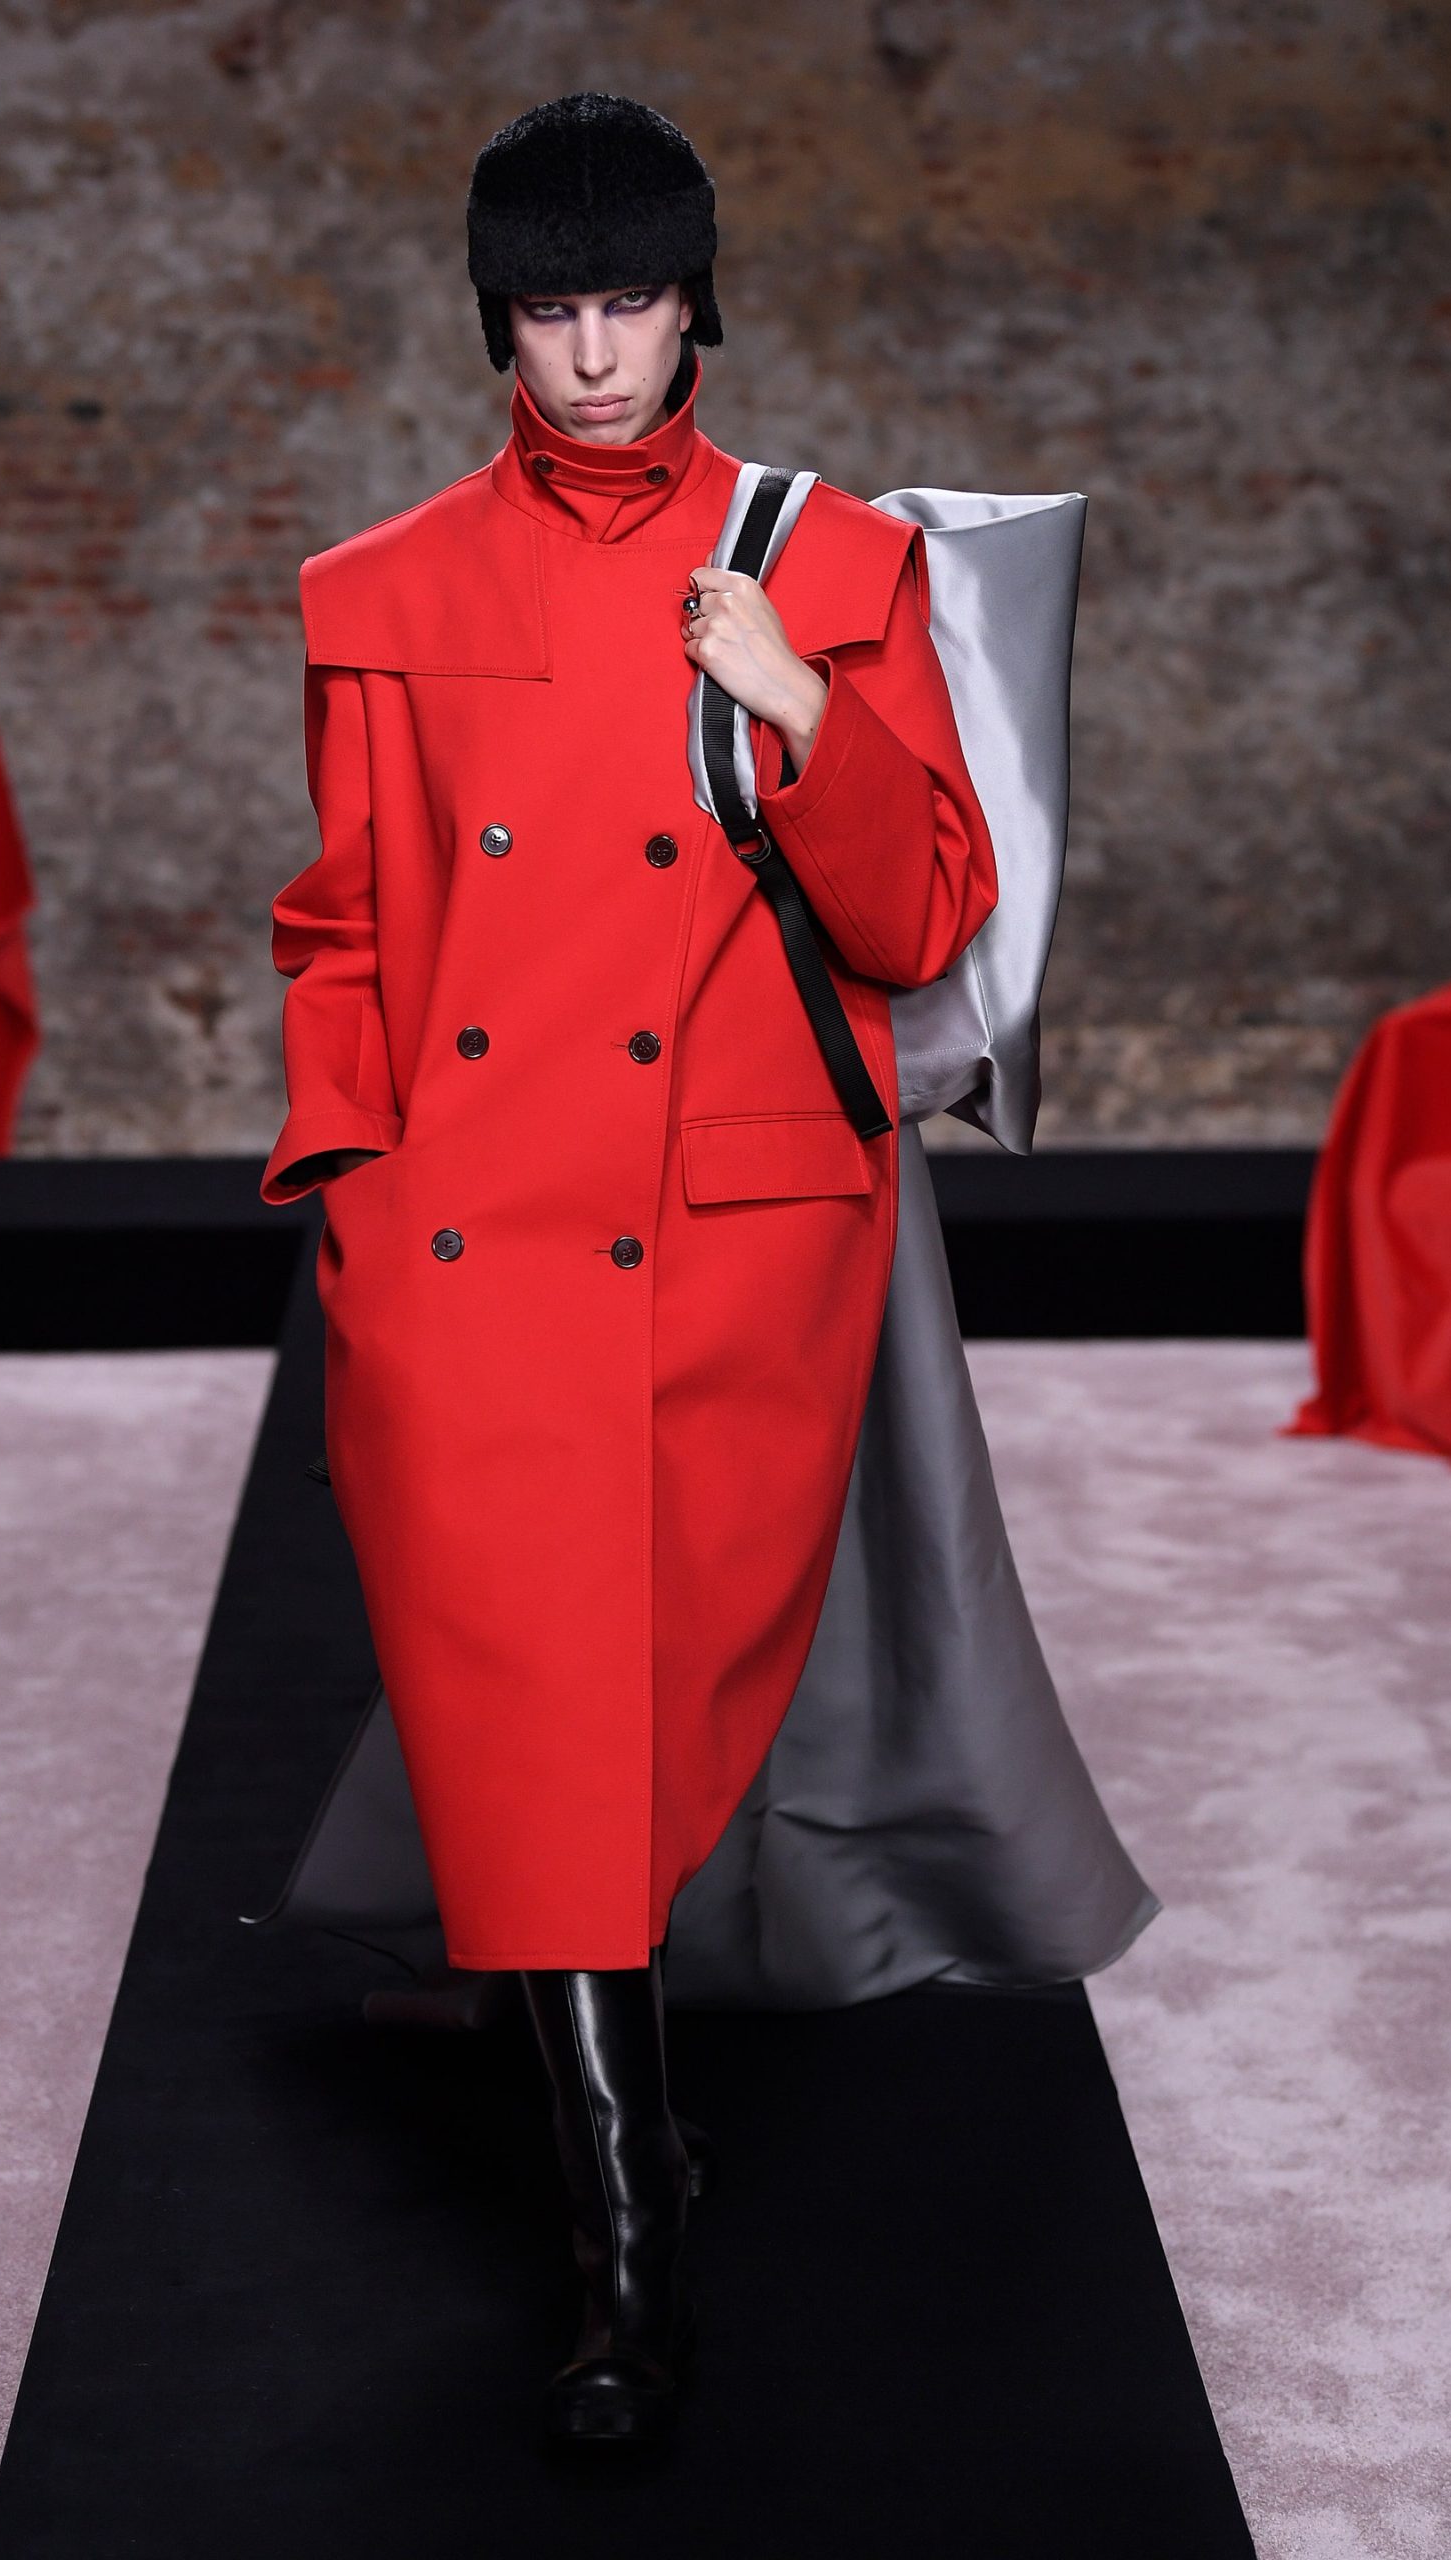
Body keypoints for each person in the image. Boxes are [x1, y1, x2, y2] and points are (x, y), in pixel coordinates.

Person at [258, 91, 997, 2447]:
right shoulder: (381, 591)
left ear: (698, 306)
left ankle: (590, 2099)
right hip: (464, 1241)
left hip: (728, 1237)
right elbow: (343, 924)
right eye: (551, 308)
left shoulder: (836, 564)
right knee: (536, 1718)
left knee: (649, 1723)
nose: (591, 354)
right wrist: (351, 1175)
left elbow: (921, 920)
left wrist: (797, 702)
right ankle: (627, 2267)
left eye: (632, 303)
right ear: (497, 319)